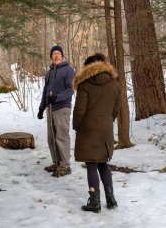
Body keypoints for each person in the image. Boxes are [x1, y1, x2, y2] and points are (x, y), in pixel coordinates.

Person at [72, 53, 121, 213]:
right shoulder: (115, 84)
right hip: (106, 129)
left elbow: (80, 110)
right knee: (103, 163)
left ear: (89, 67)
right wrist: (107, 121)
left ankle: (95, 202)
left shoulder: (85, 84)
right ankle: (111, 199)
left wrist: (77, 125)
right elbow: (116, 110)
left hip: (88, 129)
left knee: (92, 163)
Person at [37, 45, 75, 177]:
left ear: (62, 56)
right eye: (54, 53)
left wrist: (57, 98)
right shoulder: (49, 72)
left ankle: (65, 165)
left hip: (62, 107)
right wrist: (42, 108)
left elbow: (71, 89)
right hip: (50, 108)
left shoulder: (68, 70)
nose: (56, 55)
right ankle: (57, 162)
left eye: (58, 53)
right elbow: (45, 92)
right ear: (51, 56)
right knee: (51, 137)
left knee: (61, 136)